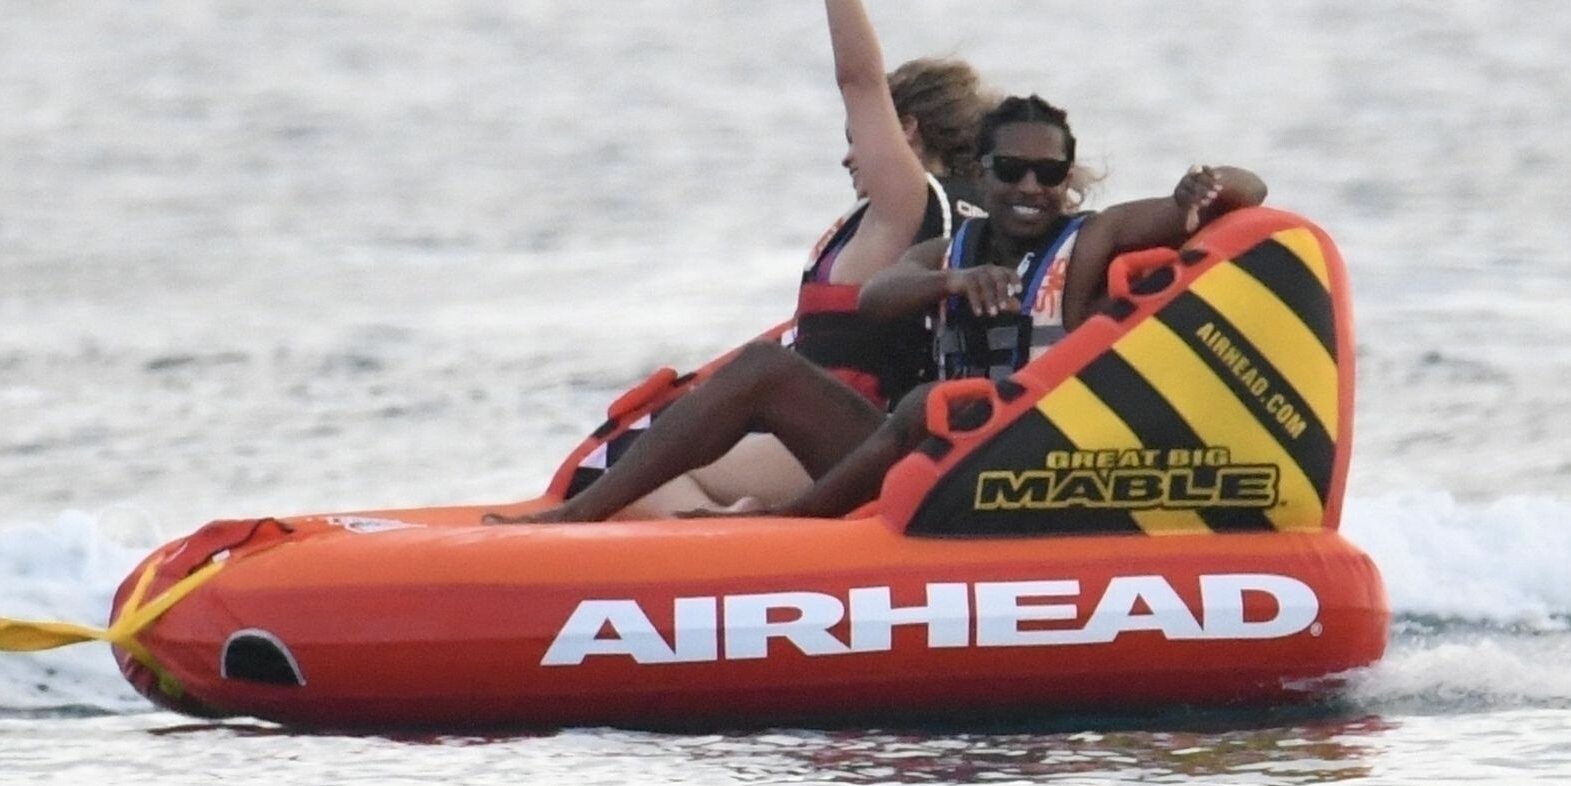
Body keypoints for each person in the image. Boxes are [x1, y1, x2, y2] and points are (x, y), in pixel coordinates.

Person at [520, 93, 1266, 523]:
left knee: (924, 404)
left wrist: (1204, 184)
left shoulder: (1091, 238)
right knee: (764, 370)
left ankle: (788, 530)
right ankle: (578, 516)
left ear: (1067, 179)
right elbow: (879, 297)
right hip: (931, 467)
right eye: (1011, 170)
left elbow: (1248, 191)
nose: (1030, 188)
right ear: (982, 173)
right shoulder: (952, 248)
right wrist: (953, 284)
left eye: (1049, 173)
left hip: (1023, 475)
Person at [577, 0, 995, 519]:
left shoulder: (908, 204)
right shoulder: (935, 215)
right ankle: (738, 521)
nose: (848, 157)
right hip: (829, 432)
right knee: (639, 466)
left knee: (635, 478)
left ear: (907, 132)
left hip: (849, 441)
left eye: (856, 138)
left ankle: (736, 535)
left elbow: (858, 79)